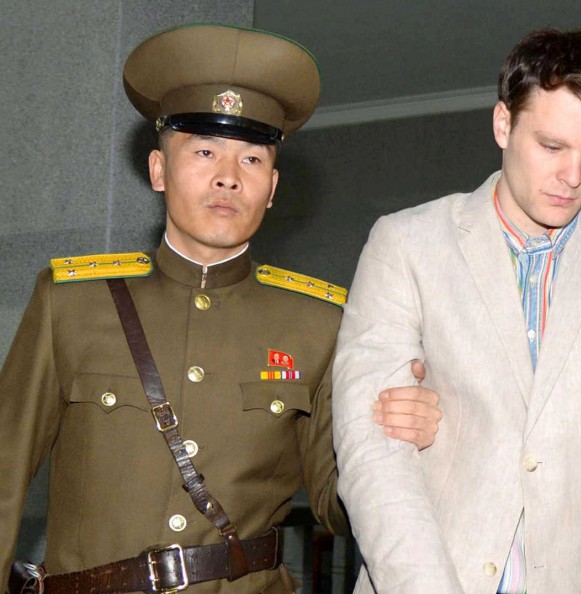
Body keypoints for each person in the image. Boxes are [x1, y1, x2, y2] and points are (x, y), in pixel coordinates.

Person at [0, 23, 442, 594]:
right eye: (205, 151)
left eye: (251, 160)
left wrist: (405, 444)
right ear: (159, 171)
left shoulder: (320, 325)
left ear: (272, 187)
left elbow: (342, 502)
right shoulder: (71, 302)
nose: (228, 178)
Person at [331, 28, 581, 594]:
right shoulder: (406, 244)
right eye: (552, 147)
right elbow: (372, 456)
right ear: (503, 124)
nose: (573, 177)